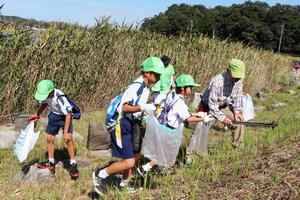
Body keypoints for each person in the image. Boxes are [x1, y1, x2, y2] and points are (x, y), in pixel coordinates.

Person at [92, 56, 166, 195]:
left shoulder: (145, 87)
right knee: (129, 161)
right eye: (156, 74)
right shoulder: (136, 86)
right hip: (121, 124)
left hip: (132, 123)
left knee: (136, 154)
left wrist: (147, 110)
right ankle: (100, 175)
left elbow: (138, 107)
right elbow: (125, 107)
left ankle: (123, 184)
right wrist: (143, 107)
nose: (159, 77)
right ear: (147, 73)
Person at [137, 74, 213, 176]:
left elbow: (182, 113)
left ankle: (157, 168)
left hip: (162, 127)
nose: (191, 90)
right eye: (190, 87)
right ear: (183, 88)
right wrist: (203, 119)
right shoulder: (180, 102)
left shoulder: (172, 95)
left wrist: (197, 114)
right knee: (163, 155)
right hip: (169, 131)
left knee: (163, 154)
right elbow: (188, 119)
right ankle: (144, 169)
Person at [32, 79, 79, 179]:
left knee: (68, 139)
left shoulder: (60, 97)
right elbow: (44, 104)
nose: (45, 97)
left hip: (65, 117)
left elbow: (68, 114)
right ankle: (51, 162)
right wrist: (37, 114)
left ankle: (73, 164)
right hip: (54, 116)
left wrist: (65, 132)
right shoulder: (47, 95)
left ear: (52, 91)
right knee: (49, 138)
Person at [199, 58, 246, 148]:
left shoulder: (239, 80)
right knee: (202, 128)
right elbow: (212, 104)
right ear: (228, 71)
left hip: (224, 105)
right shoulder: (218, 82)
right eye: (235, 76)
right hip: (208, 106)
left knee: (238, 121)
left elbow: (238, 95)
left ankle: (238, 144)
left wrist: (237, 111)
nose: (237, 78)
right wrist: (223, 118)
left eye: (239, 76)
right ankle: (194, 152)